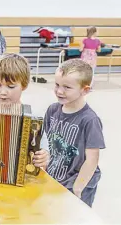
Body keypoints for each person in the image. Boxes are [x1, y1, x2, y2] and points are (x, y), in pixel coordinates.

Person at [43, 59, 105, 207]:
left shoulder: (90, 120)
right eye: (57, 85)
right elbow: (46, 142)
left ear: (85, 90)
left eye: (67, 87)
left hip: (77, 183)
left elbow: (92, 159)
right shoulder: (52, 110)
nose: (59, 91)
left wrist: (78, 188)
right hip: (55, 178)